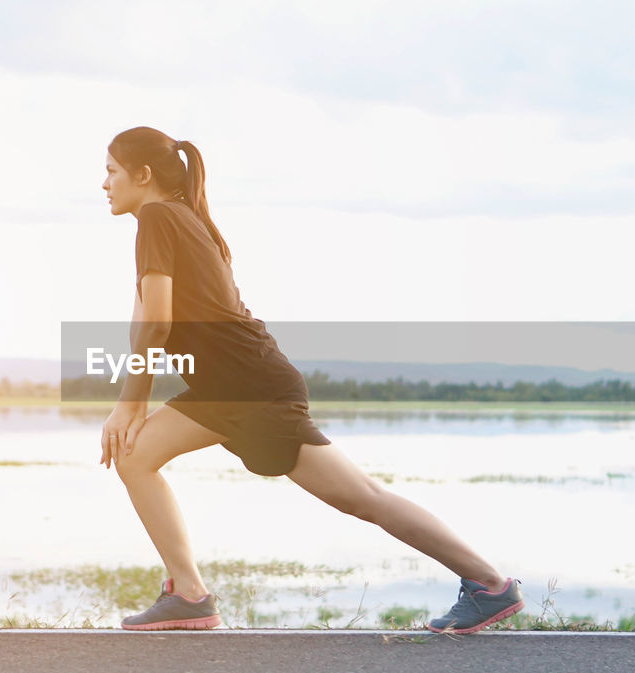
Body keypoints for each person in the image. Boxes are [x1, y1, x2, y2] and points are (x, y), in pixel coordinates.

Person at [98, 126, 524, 634]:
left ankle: (490, 585)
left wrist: (130, 405)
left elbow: (156, 325)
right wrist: (133, 395)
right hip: (227, 390)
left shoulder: (158, 217)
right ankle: (188, 594)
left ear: (142, 175)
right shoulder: (177, 219)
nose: (104, 184)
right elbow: (146, 326)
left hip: (251, 389)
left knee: (363, 498)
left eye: (111, 171)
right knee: (135, 457)